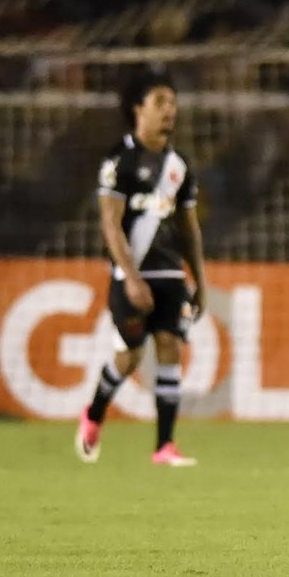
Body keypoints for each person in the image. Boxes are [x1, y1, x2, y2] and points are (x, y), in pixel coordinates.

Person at [75, 70, 206, 467]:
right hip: (129, 278)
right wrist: (130, 277)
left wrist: (200, 278)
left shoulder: (179, 165)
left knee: (170, 347)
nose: (170, 111)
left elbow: (189, 226)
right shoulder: (120, 161)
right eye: (160, 103)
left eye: (172, 103)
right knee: (129, 357)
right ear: (138, 110)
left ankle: (164, 445)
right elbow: (109, 223)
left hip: (169, 276)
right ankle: (94, 412)